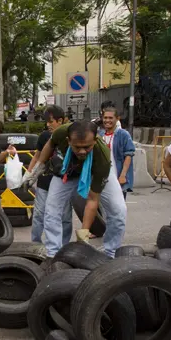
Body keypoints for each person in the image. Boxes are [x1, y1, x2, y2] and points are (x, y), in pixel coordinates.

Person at [23, 120, 127, 258]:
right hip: (68, 169)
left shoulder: (103, 157)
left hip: (95, 170)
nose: (82, 151)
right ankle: (53, 253)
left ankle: (111, 252)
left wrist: (83, 234)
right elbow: (50, 145)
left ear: (95, 140)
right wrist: (37, 169)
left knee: (118, 210)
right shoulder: (61, 132)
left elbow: (92, 200)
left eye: (87, 147)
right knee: (52, 209)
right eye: (77, 147)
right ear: (68, 141)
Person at [28, 105, 72, 244]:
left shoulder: (71, 136)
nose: (48, 125)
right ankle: (36, 244)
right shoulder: (45, 136)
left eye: (51, 121)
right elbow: (37, 157)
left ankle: (63, 247)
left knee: (64, 217)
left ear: (61, 121)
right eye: (46, 121)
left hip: (64, 182)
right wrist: (29, 175)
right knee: (39, 215)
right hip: (45, 182)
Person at [100, 107, 135, 199]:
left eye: (110, 118)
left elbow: (128, 155)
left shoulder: (123, 134)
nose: (107, 120)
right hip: (102, 180)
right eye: (105, 117)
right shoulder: (99, 135)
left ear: (117, 118)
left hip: (118, 179)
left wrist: (123, 175)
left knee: (118, 210)